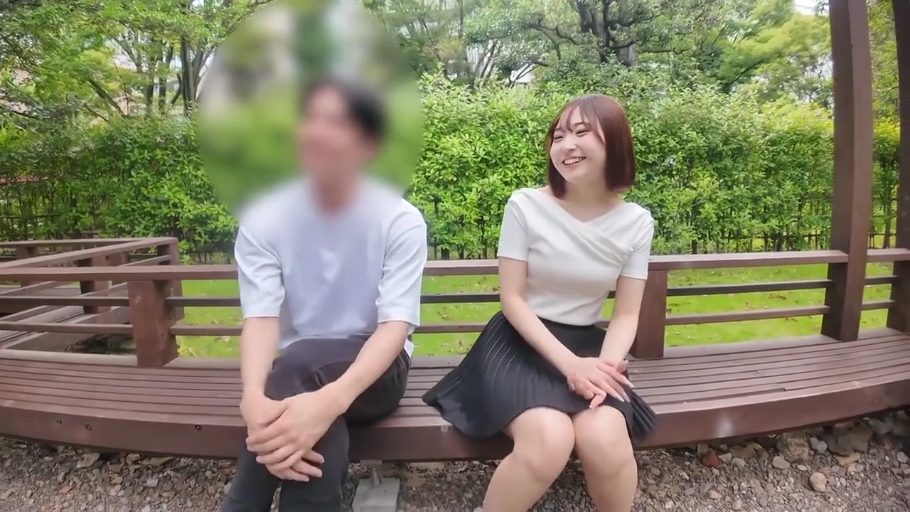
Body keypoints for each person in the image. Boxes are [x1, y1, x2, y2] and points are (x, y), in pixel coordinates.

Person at [422, 94, 657, 512]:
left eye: (581, 133)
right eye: (559, 135)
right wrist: (571, 367)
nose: (566, 145)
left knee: (605, 437)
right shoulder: (526, 206)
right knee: (549, 439)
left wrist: (603, 369)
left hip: (588, 347)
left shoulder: (636, 222)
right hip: (518, 342)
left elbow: (625, 314)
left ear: (615, 142)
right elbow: (512, 299)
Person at [221, 77, 428, 511]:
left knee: (301, 371)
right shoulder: (263, 220)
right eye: (309, 119)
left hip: (377, 371)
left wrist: (328, 401)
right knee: (299, 383)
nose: (315, 132)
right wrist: (252, 396)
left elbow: (394, 327)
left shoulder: (399, 220)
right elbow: (260, 317)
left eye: (335, 122)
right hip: (294, 374)